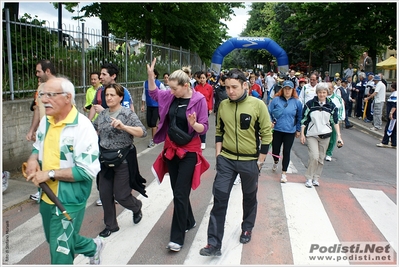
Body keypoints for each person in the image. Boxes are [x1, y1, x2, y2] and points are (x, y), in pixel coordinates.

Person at [25, 77, 103, 264]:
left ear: (67, 97)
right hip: (46, 195)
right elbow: (37, 146)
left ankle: (92, 248)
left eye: (50, 95)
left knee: (60, 254)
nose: (44, 100)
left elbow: (87, 171)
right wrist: (33, 159)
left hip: (68, 200)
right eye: (43, 94)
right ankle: (93, 247)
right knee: (53, 240)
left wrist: (49, 173)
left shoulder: (83, 128)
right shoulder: (46, 121)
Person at [199, 68, 273, 257]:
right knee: (219, 199)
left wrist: (260, 162)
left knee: (249, 197)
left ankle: (247, 228)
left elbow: (266, 134)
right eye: (227, 87)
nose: (230, 91)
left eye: (234, 87)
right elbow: (219, 131)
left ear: (244, 86)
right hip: (227, 160)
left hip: (250, 161)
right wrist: (218, 156)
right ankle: (213, 244)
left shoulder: (257, 105)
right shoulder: (223, 105)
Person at [147, 58, 209, 252]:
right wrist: (150, 76)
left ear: (185, 85)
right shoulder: (170, 97)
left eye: (174, 88)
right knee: (177, 191)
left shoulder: (198, 101)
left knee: (181, 193)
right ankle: (189, 220)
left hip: (190, 151)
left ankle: (177, 237)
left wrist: (193, 125)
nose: (170, 91)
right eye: (169, 88)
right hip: (171, 149)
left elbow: (204, 127)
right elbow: (154, 93)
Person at [93, 83, 148, 238]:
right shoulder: (103, 114)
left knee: (121, 195)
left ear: (120, 97)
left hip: (122, 159)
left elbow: (142, 132)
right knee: (104, 193)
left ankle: (136, 207)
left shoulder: (127, 114)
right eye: (107, 95)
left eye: (112, 95)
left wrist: (123, 127)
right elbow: (93, 129)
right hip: (105, 159)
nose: (109, 98)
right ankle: (111, 225)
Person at [300, 82, 344, 188]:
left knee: (321, 158)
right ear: (317, 93)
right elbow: (304, 120)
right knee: (314, 156)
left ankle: (316, 178)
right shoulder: (310, 104)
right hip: (312, 134)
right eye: (320, 92)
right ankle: (309, 178)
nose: (322, 95)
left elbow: (335, 121)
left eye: (324, 92)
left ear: (327, 93)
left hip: (325, 135)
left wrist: (339, 136)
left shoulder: (331, 106)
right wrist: (302, 134)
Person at [27, 60, 57, 202]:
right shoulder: (40, 89)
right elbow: (38, 111)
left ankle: (56, 190)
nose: (36, 74)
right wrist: (33, 130)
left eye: (39, 71)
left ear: (47, 71)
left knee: (55, 160)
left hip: (57, 130)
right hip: (44, 130)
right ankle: (42, 189)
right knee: (40, 159)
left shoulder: (61, 86)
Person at [268, 80, 302, 183]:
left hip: (289, 131)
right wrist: (270, 122)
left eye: (289, 89)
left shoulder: (297, 102)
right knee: (275, 150)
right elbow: (268, 112)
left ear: (293, 90)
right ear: (283, 89)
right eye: (286, 89)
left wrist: (298, 129)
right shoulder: (276, 100)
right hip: (277, 129)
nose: (287, 91)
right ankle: (276, 161)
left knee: (287, 151)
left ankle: (284, 173)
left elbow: (299, 116)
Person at [141, 69, 167, 148]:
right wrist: (143, 105)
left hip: (157, 106)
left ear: (155, 75)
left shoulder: (159, 84)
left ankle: (154, 139)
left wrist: (162, 103)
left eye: (152, 74)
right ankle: (159, 130)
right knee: (149, 123)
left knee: (153, 123)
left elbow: (165, 94)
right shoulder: (145, 83)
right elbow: (144, 94)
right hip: (149, 106)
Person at [325, 82, 345, 161]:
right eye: (327, 89)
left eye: (330, 89)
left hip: (333, 120)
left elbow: (341, 109)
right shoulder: (322, 96)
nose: (328, 90)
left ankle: (329, 153)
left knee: (332, 137)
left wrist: (340, 118)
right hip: (323, 120)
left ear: (333, 89)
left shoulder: (338, 98)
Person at [194, 71, 214, 150]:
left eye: (203, 78)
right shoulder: (196, 88)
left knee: (203, 125)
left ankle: (203, 141)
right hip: (197, 108)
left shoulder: (209, 87)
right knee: (196, 124)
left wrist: (210, 108)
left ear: (206, 78)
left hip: (205, 109)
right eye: (200, 78)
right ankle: (197, 140)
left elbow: (211, 98)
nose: (202, 79)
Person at [377, 82, 397, 148]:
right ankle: (394, 143)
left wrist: (391, 113)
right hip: (394, 115)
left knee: (389, 128)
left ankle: (385, 142)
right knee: (394, 129)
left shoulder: (395, 94)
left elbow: (394, 105)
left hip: (393, 115)